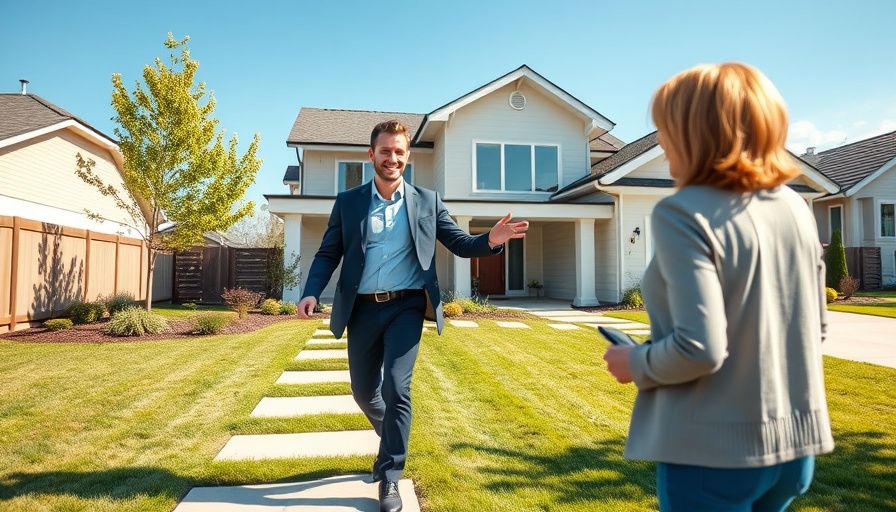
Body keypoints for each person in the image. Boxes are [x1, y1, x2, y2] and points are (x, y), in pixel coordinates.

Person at [603, 63, 834, 511]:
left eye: (665, 128)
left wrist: (637, 361)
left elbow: (700, 349)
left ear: (694, 131)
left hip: (713, 455)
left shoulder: (683, 212)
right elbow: (813, 328)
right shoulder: (795, 207)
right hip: (794, 448)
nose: (661, 141)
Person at [297, 119, 528, 512]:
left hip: (406, 306)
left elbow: (458, 241)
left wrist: (490, 241)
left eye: (399, 152)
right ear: (371, 155)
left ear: (407, 157)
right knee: (363, 392)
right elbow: (327, 253)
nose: (393, 158)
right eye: (385, 151)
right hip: (363, 310)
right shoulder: (349, 201)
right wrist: (311, 290)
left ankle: (390, 477)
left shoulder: (426, 201)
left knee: (397, 389)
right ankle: (391, 442)